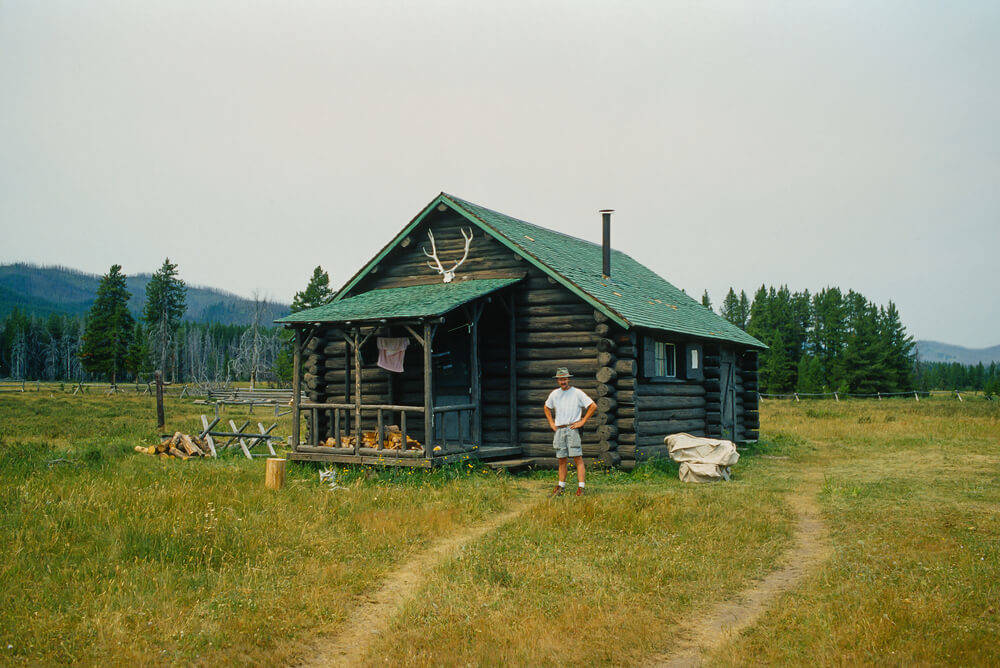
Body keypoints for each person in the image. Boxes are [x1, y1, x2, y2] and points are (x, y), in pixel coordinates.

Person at [543, 367, 597, 496]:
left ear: (569, 379)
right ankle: (561, 487)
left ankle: (581, 489)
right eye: (560, 379)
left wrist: (582, 421)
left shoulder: (577, 393)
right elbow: (546, 407)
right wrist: (551, 422)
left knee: (577, 458)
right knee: (561, 459)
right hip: (559, 430)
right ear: (558, 380)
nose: (563, 382)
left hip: (572, 429)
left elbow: (593, 406)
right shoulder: (554, 394)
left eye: (565, 379)